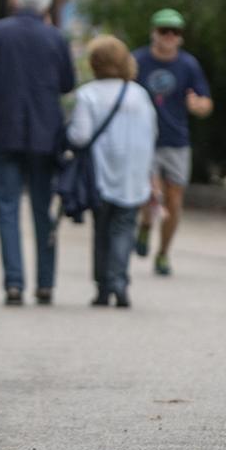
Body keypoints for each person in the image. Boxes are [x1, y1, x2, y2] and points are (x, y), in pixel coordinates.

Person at [0, 0, 75, 306]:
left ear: (16, 0)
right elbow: (68, 83)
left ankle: (14, 283)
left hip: (2, 133)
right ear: (45, 5)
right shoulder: (56, 38)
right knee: (43, 209)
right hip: (45, 135)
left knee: (8, 208)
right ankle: (45, 283)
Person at [67, 36, 156, 308]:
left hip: (100, 175)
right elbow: (153, 133)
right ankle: (120, 282)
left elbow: (80, 137)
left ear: (95, 63)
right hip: (133, 175)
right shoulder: (139, 94)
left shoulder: (88, 94)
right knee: (123, 229)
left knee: (102, 229)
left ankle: (103, 286)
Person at [131, 9, 213, 278]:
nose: (169, 36)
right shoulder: (138, 60)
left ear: (180, 37)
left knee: (174, 200)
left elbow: (205, 103)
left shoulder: (188, 65)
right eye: (164, 30)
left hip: (176, 140)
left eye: (174, 32)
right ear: (154, 33)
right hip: (145, 140)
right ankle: (145, 224)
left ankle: (163, 253)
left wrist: (197, 105)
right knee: (150, 193)